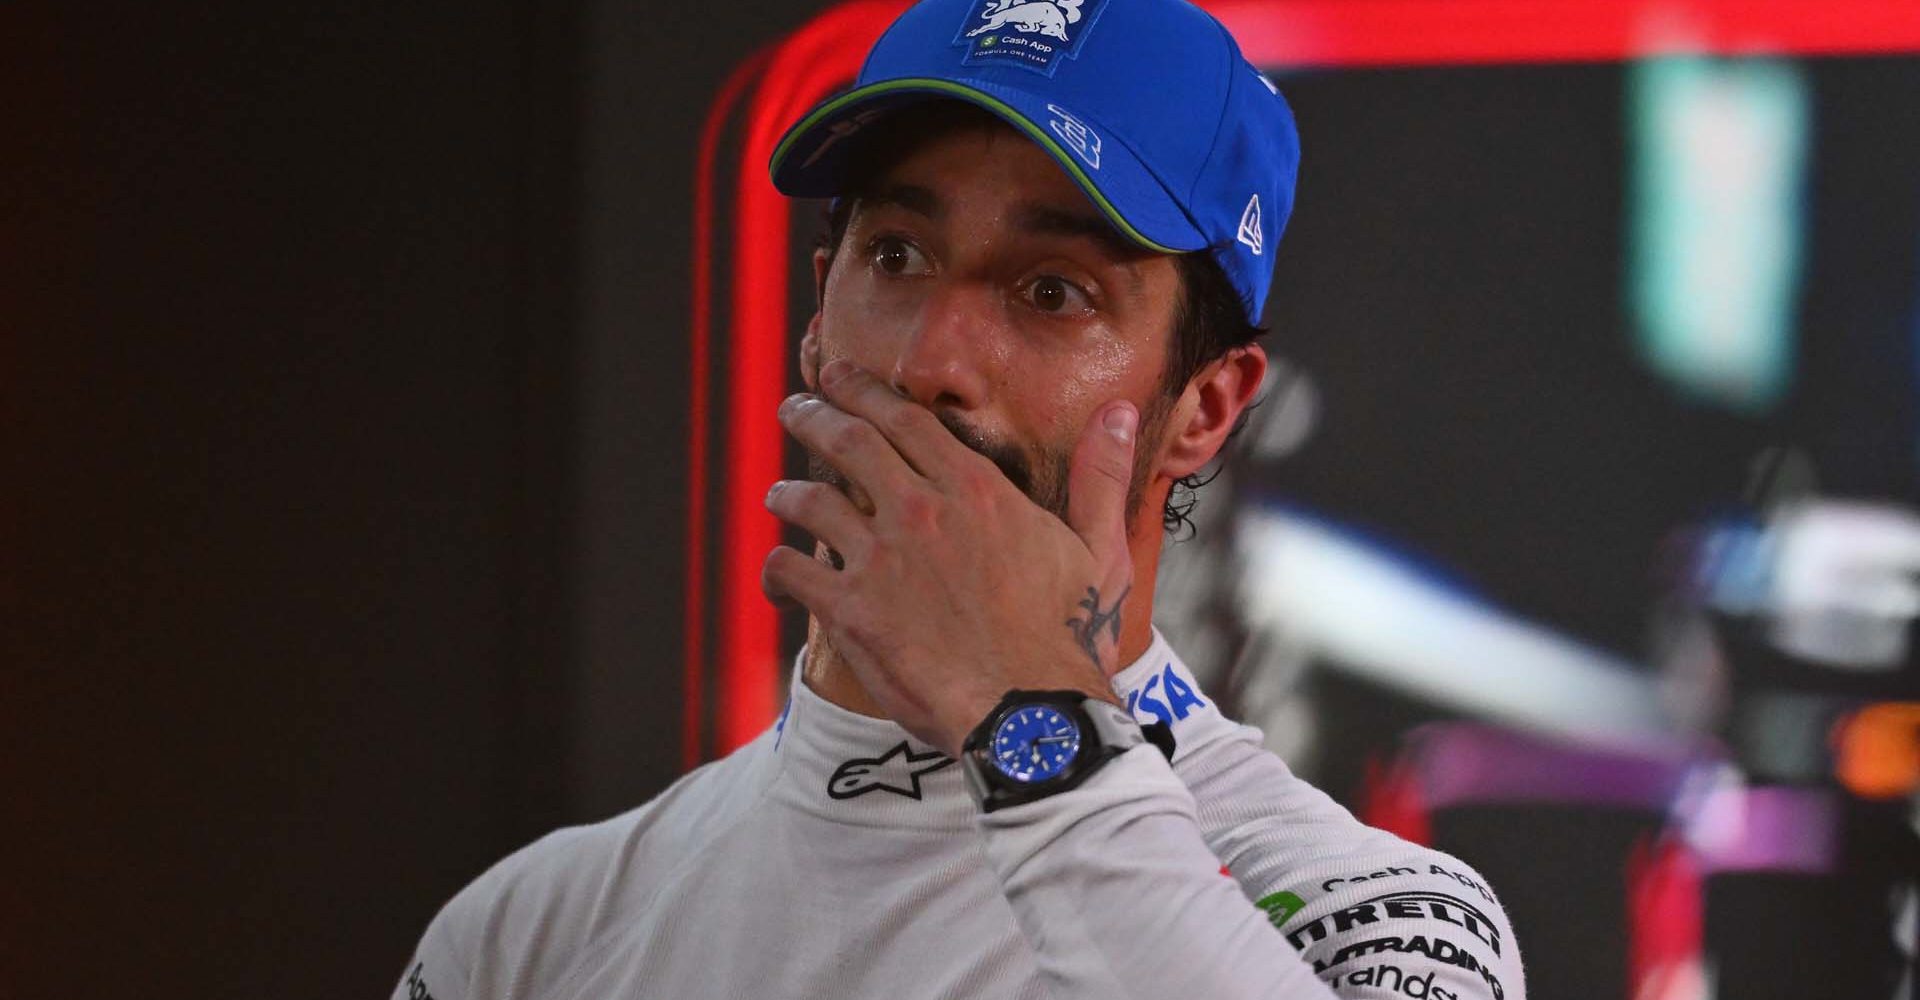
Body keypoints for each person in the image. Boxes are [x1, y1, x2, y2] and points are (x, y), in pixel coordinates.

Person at [394, 0, 1526, 996]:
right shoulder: (525, 935)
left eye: (1051, 291)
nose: (935, 356)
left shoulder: (1375, 917)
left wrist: (1025, 714)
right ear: (816, 314)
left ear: (1208, 407)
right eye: (894, 257)